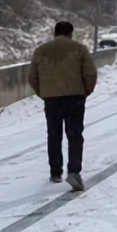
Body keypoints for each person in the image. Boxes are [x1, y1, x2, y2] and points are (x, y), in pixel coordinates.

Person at [28, 20, 98, 190]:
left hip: (51, 99)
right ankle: (73, 171)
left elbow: (32, 77)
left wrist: (44, 93)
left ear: (55, 33)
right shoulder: (80, 49)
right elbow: (90, 73)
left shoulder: (41, 51)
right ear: (70, 33)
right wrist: (85, 92)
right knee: (74, 135)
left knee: (54, 134)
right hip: (75, 97)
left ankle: (55, 171)